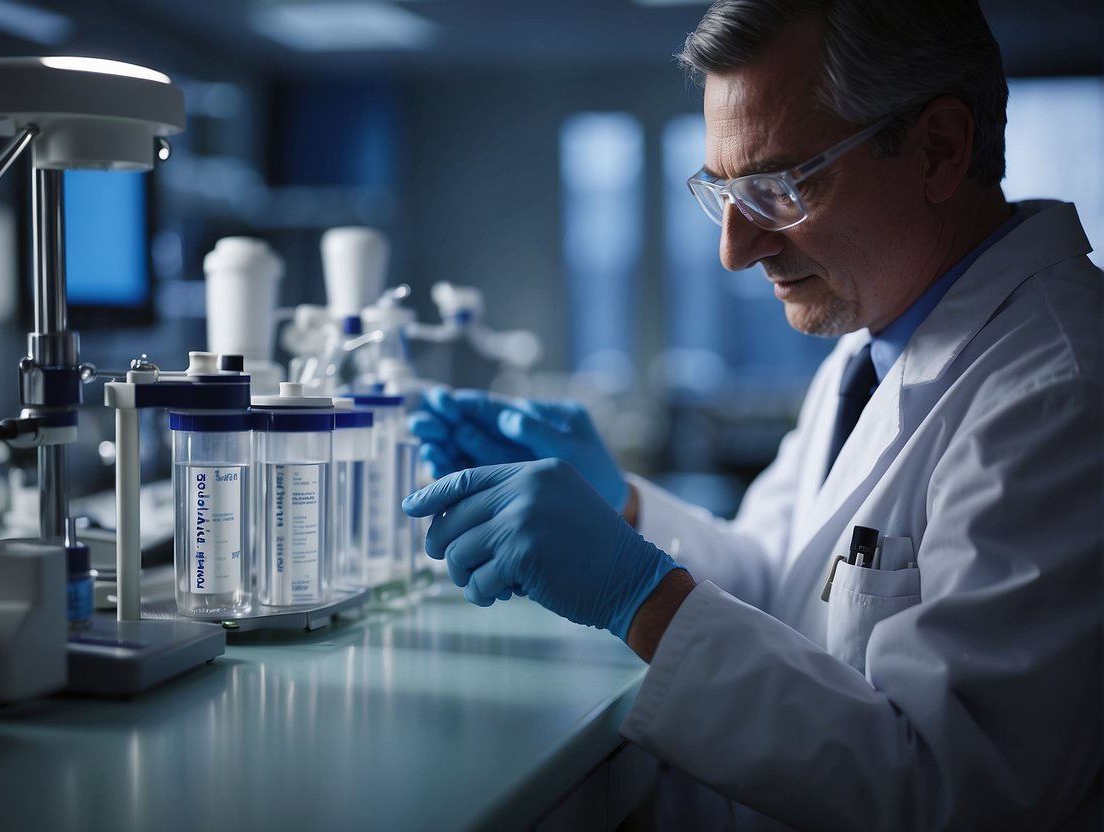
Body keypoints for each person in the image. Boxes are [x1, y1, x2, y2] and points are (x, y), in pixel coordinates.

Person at [402, 0, 1102, 828]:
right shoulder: (877, 339)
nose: (736, 249)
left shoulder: (1058, 393)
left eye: (781, 185)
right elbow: (785, 586)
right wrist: (618, 507)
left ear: (938, 149)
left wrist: (640, 597)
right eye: (725, 191)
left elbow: (956, 794)